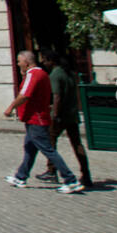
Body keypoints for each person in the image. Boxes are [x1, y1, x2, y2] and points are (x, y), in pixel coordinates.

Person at [4, 49, 84, 193]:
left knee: (48, 150)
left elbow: (24, 95)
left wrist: (10, 107)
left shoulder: (33, 74)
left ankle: (70, 179)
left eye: (19, 61)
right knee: (29, 148)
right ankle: (20, 176)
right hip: (34, 118)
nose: (17, 64)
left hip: (36, 119)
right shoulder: (39, 73)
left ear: (26, 62)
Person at [36, 49, 93, 188]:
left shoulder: (55, 75)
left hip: (61, 115)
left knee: (50, 143)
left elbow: (57, 96)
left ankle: (51, 171)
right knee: (77, 144)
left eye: (45, 60)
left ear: (51, 61)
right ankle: (86, 174)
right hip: (72, 114)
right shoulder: (71, 73)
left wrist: (55, 114)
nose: (43, 62)